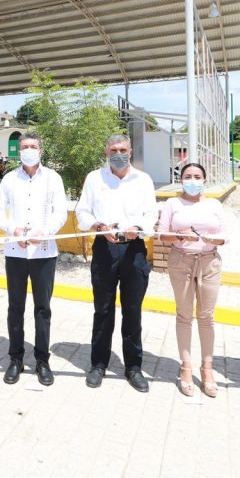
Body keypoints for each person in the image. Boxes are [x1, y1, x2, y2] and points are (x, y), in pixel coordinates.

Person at [76, 134, 158, 393]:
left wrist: (139, 227)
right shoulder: (94, 178)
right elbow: (82, 212)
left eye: (123, 149)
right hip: (105, 248)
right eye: (113, 150)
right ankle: (98, 364)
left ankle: (133, 367)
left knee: (132, 311)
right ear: (106, 152)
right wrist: (98, 226)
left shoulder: (143, 180)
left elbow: (151, 213)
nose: (118, 153)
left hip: (134, 250)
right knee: (103, 311)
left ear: (131, 151)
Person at [0, 133, 68, 386]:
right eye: (25, 147)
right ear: (18, 151)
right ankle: (15, 359)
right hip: (15, 252)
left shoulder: (53, 179)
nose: (29, 150)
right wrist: (12, 230)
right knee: (16, 307)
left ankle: (42, 360)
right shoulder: (9, 179)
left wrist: (43, 232)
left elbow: (61, 213)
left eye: (33, 146)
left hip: (44, 252)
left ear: (41, 150)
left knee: (42, 308)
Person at [156, 162, 227, 398]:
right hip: (181, 262)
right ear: (181, 179)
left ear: (204, 180)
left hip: (209, 262)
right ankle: (185, 367)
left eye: (197, 176)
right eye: (188, 176)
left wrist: (216, 240)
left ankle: (207, 368)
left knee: (206, 317)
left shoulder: (214, 204)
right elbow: (161, 235)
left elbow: (225, 235)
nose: (193, 180)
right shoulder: (172, 203)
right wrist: (178, 235)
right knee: (184, 315)